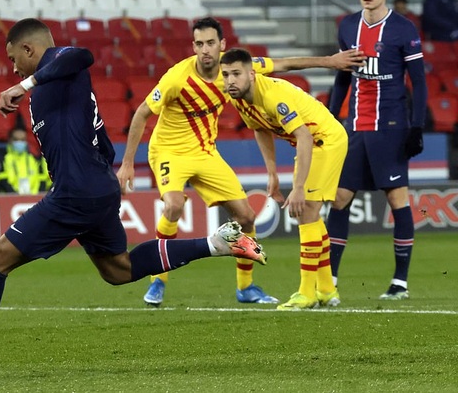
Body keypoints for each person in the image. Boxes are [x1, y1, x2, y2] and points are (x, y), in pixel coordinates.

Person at [0, 18, 266, 370]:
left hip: (76, 193)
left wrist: (22, 87)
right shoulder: (53, 88)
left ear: (29, 49)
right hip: (93, 188)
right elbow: (102, 142)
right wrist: (98, 173)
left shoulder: (61, 62)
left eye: (13, 59)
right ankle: (217, 244)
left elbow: (82, 54)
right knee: (118, 270)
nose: (13, 69)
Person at [116, 16, 366, 307]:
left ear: (222, 44)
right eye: (199, 44)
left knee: (246, 217)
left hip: (206, 151)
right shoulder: (177, 78)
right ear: (193, 46)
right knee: (173, 205)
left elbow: (285, 64)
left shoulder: (235, 70)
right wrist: (128, 162)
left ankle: (247, 287)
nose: (205, 49)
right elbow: (142, 113)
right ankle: (158, 280)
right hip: (170, 151)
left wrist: (331, 62)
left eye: (211, 43)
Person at [327, 0, 428, 300]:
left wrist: (416, 127)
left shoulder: (403, 29)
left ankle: (400, 282)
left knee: (397, 199)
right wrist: (329, 119)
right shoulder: (347, 26)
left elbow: (420, 82)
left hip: (391, 127)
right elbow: (342, 77)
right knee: (339, 199)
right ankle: (330, 281)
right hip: (355, 126)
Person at [220, 48, 348, 310]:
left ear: (252, 74)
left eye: (236, 74)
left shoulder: (274, 97)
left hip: (324, 140)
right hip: (313, 143)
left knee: (306, 210)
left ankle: (306, 293)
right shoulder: (239, 98)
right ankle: (326, 289)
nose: (230, 80)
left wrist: (298, 187)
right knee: (310, 214)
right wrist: (272, 173)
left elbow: (304, 136)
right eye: (225, 75)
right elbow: (259, 129)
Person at [0, 127, 52, 195]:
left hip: (34, 197)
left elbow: (41, 178)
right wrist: (15, 195)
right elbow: (2, 179)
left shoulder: (33, 158)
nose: (19, 142)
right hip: (10, 197)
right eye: (16, 139)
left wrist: (38, 195)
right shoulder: (2, 157)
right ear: (10, 140)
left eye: (22, 140)